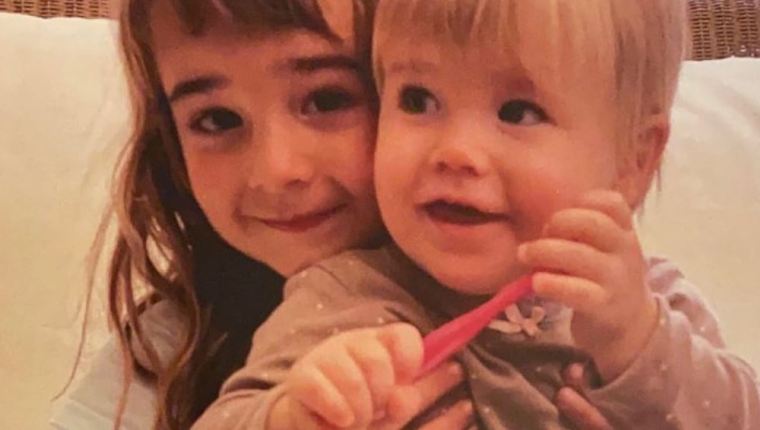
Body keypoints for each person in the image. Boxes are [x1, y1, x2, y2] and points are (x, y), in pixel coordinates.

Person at [193, 0, 760, 429]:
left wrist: (639, 341)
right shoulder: (347, 298)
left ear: (632, 161)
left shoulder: (650, 307)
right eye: (418, 100)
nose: (455, 152)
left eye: (518, 111)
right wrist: (293, 416)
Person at [50, 0, 613, 429]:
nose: (276, 171)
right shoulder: (172, 343)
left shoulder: (592, 311)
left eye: (327, 99)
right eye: (217, 120)